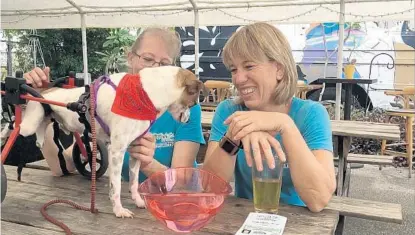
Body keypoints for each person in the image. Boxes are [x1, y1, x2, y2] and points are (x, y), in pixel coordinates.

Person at [23, 27, 205, 182]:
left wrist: (149, 164)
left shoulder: (186, 109)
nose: (155, 69)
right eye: (148, 59)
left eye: (164, 64)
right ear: (131, 58)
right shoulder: (111, 101)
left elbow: (183, 184)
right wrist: (43, 103)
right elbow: (61, 167)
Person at [201, 22, 336, 213]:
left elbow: (318, 199)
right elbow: (209, 188)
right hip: (243, 219)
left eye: (249, 66)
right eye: (233, 70)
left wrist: (285, 126)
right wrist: (234, 137)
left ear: (279, 69)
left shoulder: (311, 113)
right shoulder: (229, 111)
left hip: (299, 222)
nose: (238, 79)